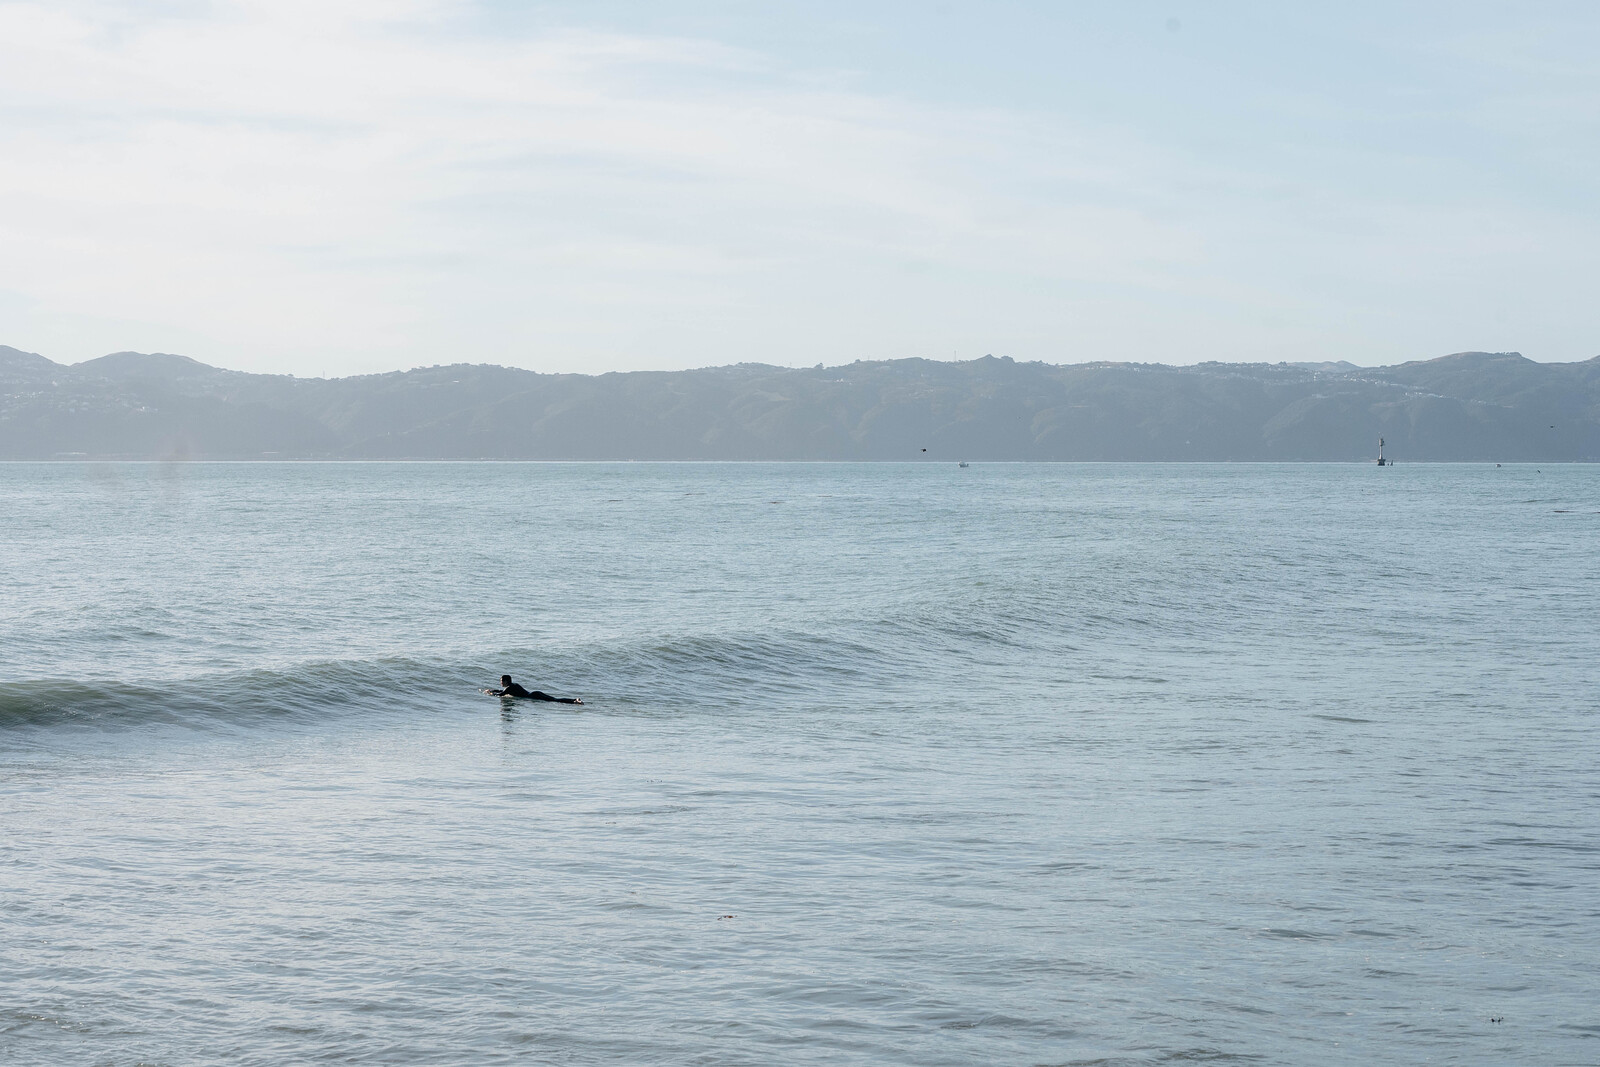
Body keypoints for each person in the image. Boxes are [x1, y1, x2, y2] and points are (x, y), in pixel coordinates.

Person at [484, 674, 583, 704]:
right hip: (535, 694)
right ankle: (574, 700)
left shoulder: (509, 688)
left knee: (555, 700)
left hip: (534, 696)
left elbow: (500, 695)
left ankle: (574, 701)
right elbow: (501, 691)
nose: (500, 682)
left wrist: (490, 693)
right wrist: (492, 690)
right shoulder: (513, 685)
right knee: (555, 699)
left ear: (505, 681)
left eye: (501, 681)